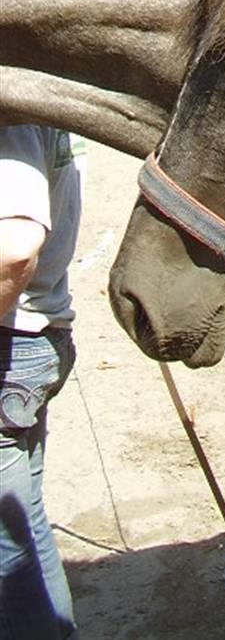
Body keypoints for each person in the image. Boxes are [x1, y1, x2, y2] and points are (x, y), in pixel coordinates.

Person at [0, 124, 84, 640]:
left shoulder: (9, 110)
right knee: (21, 525)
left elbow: (13, 249)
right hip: (33, 337)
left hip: (13, 343)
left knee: (7, 546)